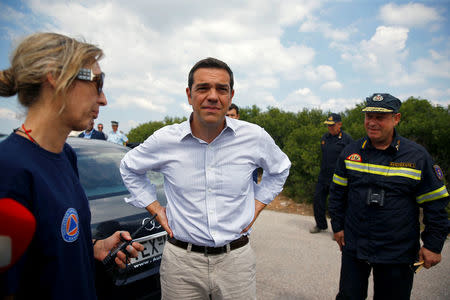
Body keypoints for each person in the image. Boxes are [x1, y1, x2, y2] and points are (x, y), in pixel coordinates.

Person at [120, 57, 291, 299]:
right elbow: (129, 167)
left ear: (231, 95)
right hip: (181, 265)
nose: (213, 96)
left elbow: (280, 168)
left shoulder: (255, 137)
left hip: (236, 263)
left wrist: (257, 204)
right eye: (203, 88)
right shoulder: (165, 140)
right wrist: (155, 208)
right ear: (189, 95)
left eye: (222, 89)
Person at [0, 32, 143, 299]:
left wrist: (94, 247)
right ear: (55, 77)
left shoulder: (66, 155)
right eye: (97, 83)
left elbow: (50, 245)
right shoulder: (8, 170)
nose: (103, 100)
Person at [328, 93, 449, 300]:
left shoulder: (417, 156)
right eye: (369, 116)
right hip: (355, 246)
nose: (372, 123)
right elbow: (338, 192)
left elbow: (435, 204)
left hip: (397, 251)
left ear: (396, 118)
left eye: (380, 117)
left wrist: (432, 245)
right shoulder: (350, 152)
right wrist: (338, 226)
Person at [310, 113, 353, 234]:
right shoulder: (324, 138)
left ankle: (338, 229)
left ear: (340, 124)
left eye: (332, 125)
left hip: (338, 178)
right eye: (328, 125)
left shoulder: (347, 139)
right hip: (323, 177)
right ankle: (320, 225)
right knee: (318, 201)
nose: (330, 128)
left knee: (337, 205)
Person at [226, 103, 259, 183]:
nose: (230, 118)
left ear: (237, 116)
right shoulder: (217, 134)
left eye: (232, 115)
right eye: (227, 115)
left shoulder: (248, 133)